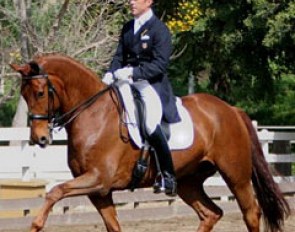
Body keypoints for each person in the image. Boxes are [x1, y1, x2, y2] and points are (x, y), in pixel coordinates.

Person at [103, 0, 180, 196]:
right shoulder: (128, 27)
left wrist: (132, 73)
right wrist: (111, 72)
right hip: (126, 81)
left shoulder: (159, 30)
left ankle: (168, 175)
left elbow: (159, 65)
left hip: (151, 85)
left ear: (148, 2)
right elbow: (119, 56)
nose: (131, 2)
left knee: (149, 124)